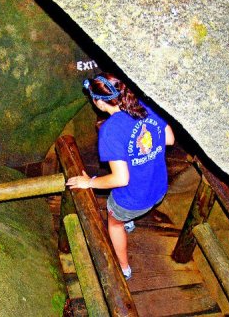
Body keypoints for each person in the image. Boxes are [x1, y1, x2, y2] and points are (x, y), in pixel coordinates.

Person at [66, 73, 175, 281]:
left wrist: (89, 182)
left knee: (114, 221)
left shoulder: (110, 131)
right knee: (127, 211)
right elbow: (169, 139)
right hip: (158, 188)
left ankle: (124, 267)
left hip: (133, 200)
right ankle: (129, 221)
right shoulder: (143, 106)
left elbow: (121, 179)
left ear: (99, 103)